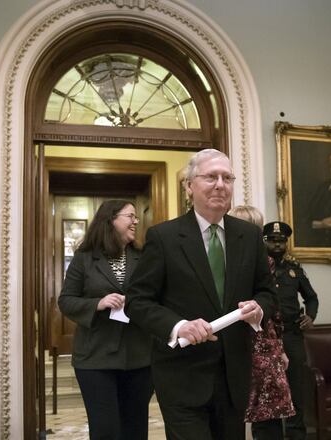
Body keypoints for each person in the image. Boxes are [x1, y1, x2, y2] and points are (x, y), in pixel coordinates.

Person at [125, 149, 277, 440]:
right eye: (211, 177)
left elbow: (267, 292)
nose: (221, 184)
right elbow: (137, 301)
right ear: (189, 186)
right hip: (182, 376)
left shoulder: (249, 236)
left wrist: (260, 309)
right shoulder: (164, 237)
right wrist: (178, 326)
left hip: (233, 376)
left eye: (227, 178)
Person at [58, 200, 153, 440]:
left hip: (140, 357)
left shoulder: (146, 256)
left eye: (136, 217)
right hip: (95, 359)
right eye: (130, 216)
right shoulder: (84, 258)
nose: (136, 221)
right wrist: (97, 304)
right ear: (111, 220)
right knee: (105, 431)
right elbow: (66, 301)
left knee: (136, 429)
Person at [227, 206, 294, 440]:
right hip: (242, 343)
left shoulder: (264, 261)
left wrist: (279, 350)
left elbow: (273, 310)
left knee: (267, 415)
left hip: (261, 344)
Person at [261, 221, 319, 440]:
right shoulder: (258, 268)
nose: (277, 245)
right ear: (264, 242)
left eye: (281, 241)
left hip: (292, 336)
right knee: (268, 392)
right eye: (272, 241)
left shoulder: (294, 269)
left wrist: (310, 316)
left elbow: (311, 297)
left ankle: (296, 435)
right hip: (267, 339)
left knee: (296, 389)